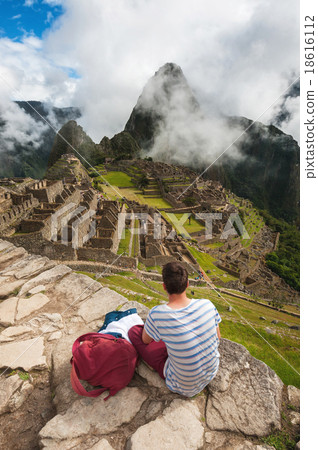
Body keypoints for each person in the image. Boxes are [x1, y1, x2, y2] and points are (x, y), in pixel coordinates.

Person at [128, 262, 221, 397]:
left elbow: (145, 340)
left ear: (164, 287)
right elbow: (218, 337)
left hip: (183, 385)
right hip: (211, 372)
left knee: (134, 332)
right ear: (188, 284)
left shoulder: (157, 313)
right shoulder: (208, 305)